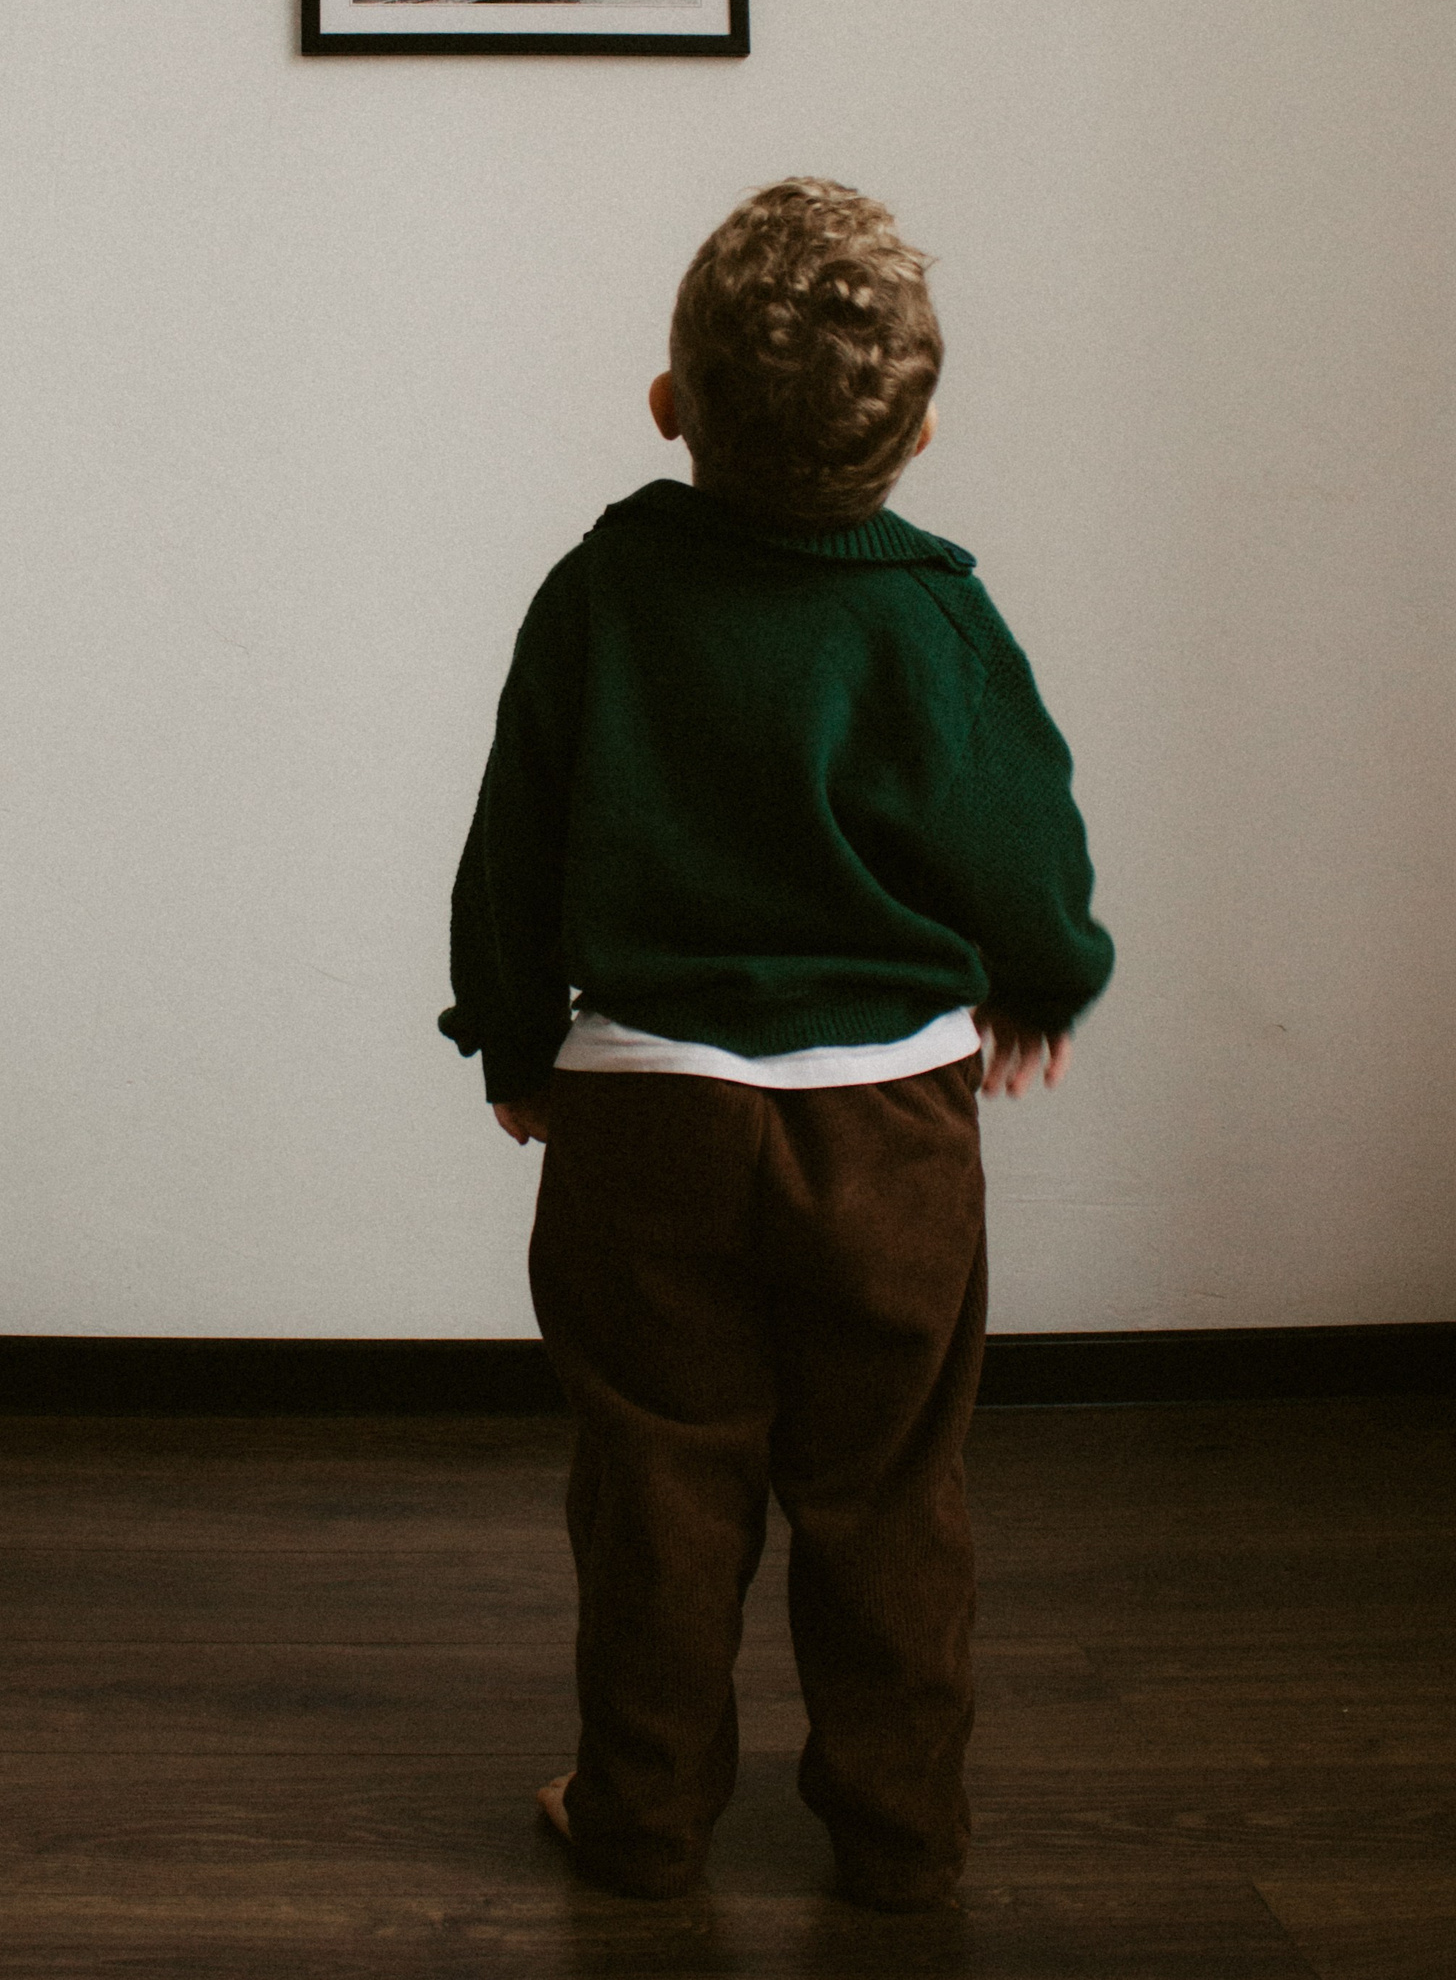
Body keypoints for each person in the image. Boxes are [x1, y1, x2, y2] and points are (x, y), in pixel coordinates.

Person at [439, 179, 1113, 1913]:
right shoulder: (935, 617)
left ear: (670, 403)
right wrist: (1046, 978)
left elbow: (514, 842)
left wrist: (511, 1039)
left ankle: (642, 1819)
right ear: (922, 433)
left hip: (644, 1121)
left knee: (657, 1491)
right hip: (887, 1126)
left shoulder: (600, 593)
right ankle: (901, 1839)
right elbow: (1020, 838)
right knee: (887, 1492)